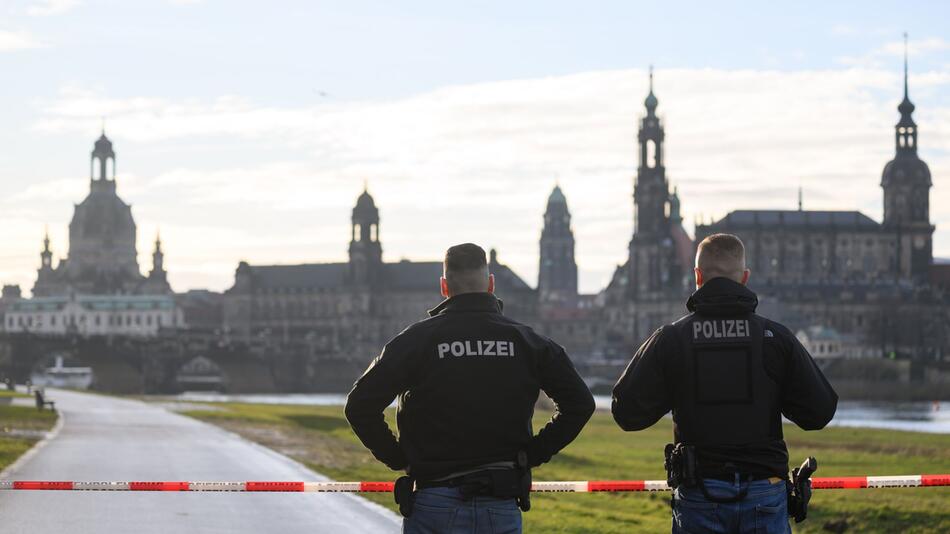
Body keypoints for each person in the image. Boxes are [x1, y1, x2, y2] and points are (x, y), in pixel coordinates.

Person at [346, 243, 595, 534]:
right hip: (500, 499)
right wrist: (532, 454)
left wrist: (399, 458)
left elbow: (359, 406)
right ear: (490, 285)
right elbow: (580, 404)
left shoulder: (415, 341)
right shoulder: (527, 341)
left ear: (444, 287)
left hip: (434, 499)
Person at [612, 233, 838, 534]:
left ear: (697, 276)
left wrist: (672, 390)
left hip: (700, 492)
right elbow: (820, 411)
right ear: (744, 278)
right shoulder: (774, 338)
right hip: (764, 489)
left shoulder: (673, 339)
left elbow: (625, 412)